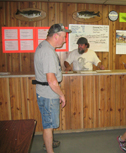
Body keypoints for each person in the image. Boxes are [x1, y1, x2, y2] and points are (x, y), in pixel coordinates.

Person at [34, 23, 71, 153]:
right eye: (64, 36)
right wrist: (61, 95)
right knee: (48, 125)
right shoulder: (47, 52)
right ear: (56, 36)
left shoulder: (43, 46)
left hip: (45, 92)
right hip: (48, 94)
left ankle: (48, 143)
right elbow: (51, 80)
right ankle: (50, 150)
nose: (65, 40)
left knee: (47, 123)